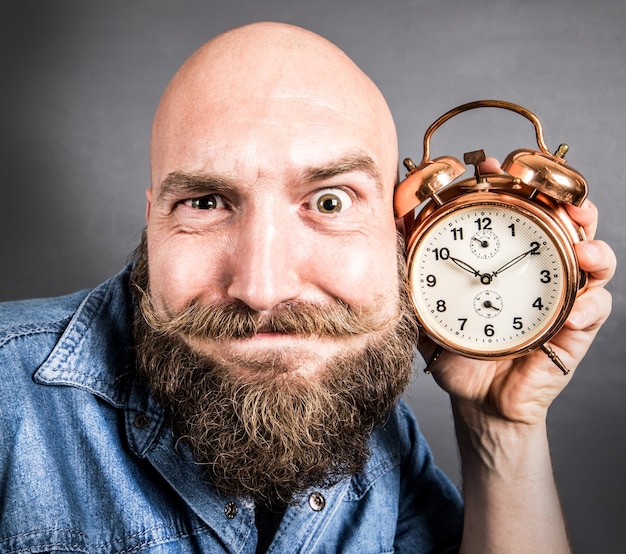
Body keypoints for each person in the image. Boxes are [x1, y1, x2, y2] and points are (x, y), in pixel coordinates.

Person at [0, 21, 615, 554]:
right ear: (154, 219)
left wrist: (498, 427)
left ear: (400, 240)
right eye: (207, 202)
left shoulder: (370, 427)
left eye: (329, 201)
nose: (262, 290)